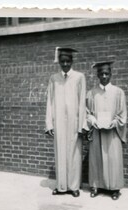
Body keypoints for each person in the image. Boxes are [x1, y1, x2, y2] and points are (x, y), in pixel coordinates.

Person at [45, 47, 87, 197]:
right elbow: (50, 101)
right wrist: (49, 123)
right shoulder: (54, 78)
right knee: (60, 153)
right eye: (62, 61)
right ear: (59, 63)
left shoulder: (79, 77)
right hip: (59, 122)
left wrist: (83, 124)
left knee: (74, 153)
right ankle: (61, 186)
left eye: (68, 61)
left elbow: (82, 101)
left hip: (74, 122)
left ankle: (74, 187)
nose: (65, 64)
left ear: (72, 61)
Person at [86, 61, 127, 200]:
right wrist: (93, 121)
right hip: (97, 132)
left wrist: (114, 122)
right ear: (97, 75)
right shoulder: (91, 93)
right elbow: (87, 112)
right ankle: (96, 186)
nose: (104, 76)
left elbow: (122, 114)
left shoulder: (118, 92)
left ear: (111, 74)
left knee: (113, 159)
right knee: (96, 159)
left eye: (106, 73)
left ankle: (115, 188)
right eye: (101, 73)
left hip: (112, 133)